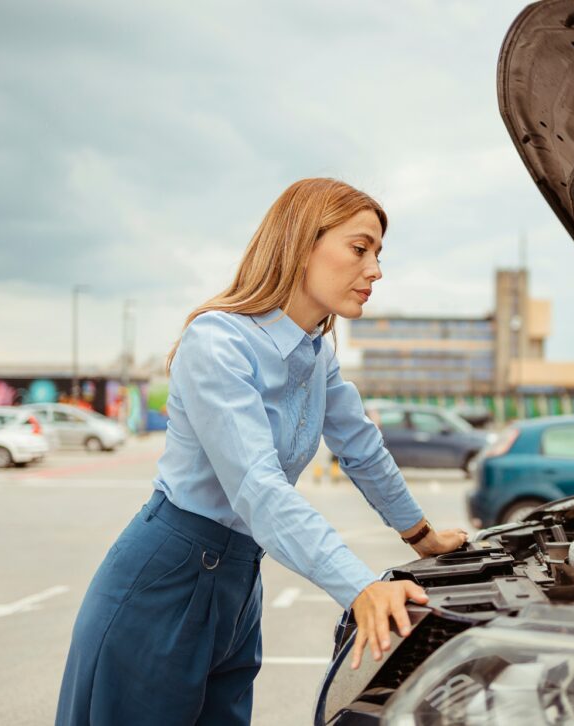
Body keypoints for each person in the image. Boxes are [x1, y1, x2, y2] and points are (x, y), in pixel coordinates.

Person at [55, 178, 468, 725]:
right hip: (164, 580)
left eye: (378, 254)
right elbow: (257, 485)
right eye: (360, 248)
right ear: (302, 245)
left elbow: (362, 449)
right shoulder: (217, 341)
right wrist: (358, 587)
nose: (375, 271)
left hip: (239, 580)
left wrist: (422, 536)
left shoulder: (316, 354)